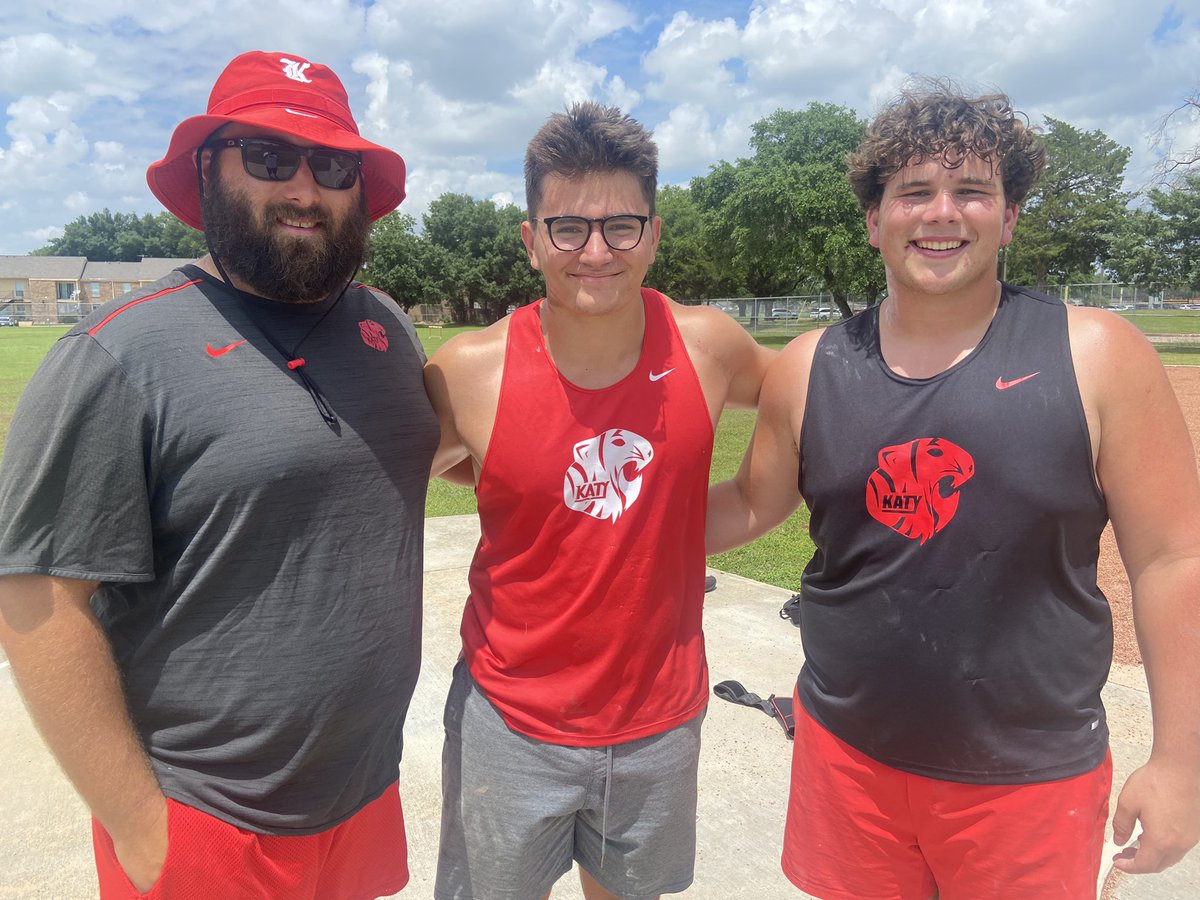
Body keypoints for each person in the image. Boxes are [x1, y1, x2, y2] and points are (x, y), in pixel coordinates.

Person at [707, 85, 1200, 898]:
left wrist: (1182, 760)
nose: (942, 213)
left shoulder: (1099, 355)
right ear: (874, 221)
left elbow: (1173, 559)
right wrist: (600, 514)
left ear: (1007, 217)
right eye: (913, 193)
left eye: (972, 190)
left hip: (1028, 777)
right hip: (846, 755)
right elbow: (750, 505)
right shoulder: (807, 367)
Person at [0, 50, 437, 898]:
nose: (305, 190)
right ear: (208, 170)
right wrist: (138, 823)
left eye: (333, 165)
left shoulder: (387, 327)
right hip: (204, 820)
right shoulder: (119, 353)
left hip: (362, 794)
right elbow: (37, 600)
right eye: (271, 159)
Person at [423, 101, 773, 900]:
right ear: (532, 239)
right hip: (510, 717)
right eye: (568, 228)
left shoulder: (709, 346)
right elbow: (432, 463)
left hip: (659, 720)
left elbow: (799, 408)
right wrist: (505, 479)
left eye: (621, 226)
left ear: (652, 232)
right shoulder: (467, 371)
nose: (595, 252)